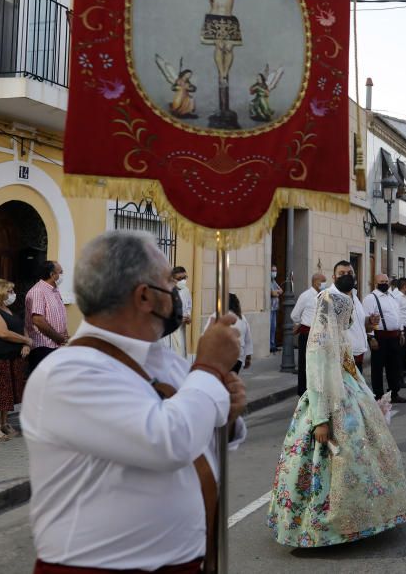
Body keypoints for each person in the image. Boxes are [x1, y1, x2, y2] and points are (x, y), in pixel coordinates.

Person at [22, 231, 247, 571]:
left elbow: (196, 439)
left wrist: (225, 418)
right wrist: (210, 367)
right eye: (170, 283)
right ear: (144, 296)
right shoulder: (68, 372)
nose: (176, 293)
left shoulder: (166, 360)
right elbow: (167, 441)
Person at [267, 266, 406, 547]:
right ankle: (323, 525)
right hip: (328, 405)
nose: (348, 321)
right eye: (345, 316)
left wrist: (369, 398)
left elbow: (352, 371)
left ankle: (360, 515)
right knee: (330, 461)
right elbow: (318, 382)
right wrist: (320, 421)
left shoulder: (341, 338)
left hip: (350, 397)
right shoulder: (321, 345)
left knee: (360, 457)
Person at [0, 279, 32, 441]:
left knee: (8, 392)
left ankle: (3, 423)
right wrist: (26, 340)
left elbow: (21, 328)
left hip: (14, 357)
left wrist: (26, 343)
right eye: (9, 291)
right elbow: (3, 333)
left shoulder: (8, 310)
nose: (12, 295)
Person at [362, 274, 406, 403]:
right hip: (380, 336)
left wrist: (402, 332)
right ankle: (379, 395)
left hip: (394, 336)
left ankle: (394, 393)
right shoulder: (371, 298)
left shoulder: (392, 297)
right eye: (381, 281)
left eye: (386, 281)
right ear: (375, 283)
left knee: (394, 366)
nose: (384, 283)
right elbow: (368, 319)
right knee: (377, 367)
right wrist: (371, 337)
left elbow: (397, 315)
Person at [25, 260, 69, 374]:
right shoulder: (38, 291)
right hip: (43, 346)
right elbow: (38, 320)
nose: (62, 275)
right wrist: (58, 337)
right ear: (52, 274)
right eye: (61, 272)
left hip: (55, 345)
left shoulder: (54, 291)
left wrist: (63, 335)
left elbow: (57, 315)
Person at [291, 273, 328, 393]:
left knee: (319, 366)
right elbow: (295, 315)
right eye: (323, 281)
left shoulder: (324, 296)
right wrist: (301, 323)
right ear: (316, 281)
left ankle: (316, 391)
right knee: (306, 365)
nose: (325, 284)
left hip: (321, 335)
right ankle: (303, 392)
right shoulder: (306, 296)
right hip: (308, 334)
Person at [205, 293, 253, 371]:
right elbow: (248, 339)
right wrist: (248, 357)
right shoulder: (242, 318)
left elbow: (206, 335)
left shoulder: (216, 316)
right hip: (238, 358)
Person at [166, 266, 193, 360]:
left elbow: (188, 307)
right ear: (173, 279)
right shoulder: (166, 292)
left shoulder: (186, 291)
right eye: (179, 278)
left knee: (181, 356)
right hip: (170, 333)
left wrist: (189, 318)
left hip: (181, 330)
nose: (183, 281)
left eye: (185, 277)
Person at [269, 265, 283, 354]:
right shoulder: (269, 281)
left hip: (275, 307)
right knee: (270, 327)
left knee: (274, 327)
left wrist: (276, 292)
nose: (274, 272)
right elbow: (273, 293)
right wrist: (276, 293)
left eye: (275, 270)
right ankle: (270, 345)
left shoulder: (274, 281)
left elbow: (281, 290)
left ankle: (273, 345)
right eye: (273, 270)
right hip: (270, 308)